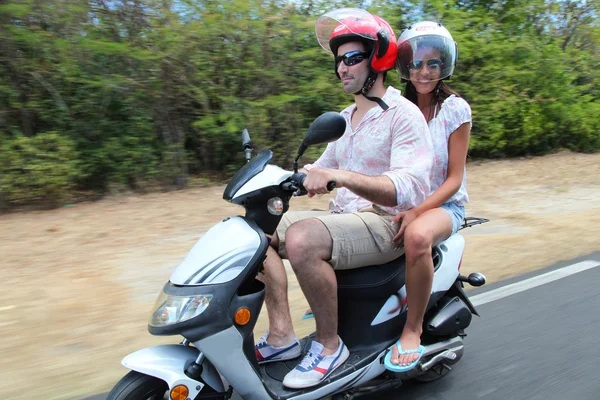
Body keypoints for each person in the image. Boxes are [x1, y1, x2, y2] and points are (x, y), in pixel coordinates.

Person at [254, 8, 434, 389]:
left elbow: (409, 186)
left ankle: (328, 345)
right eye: (338, 61)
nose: (342, 68)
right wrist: (276, 181)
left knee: (303, 237)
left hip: (386, 222)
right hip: (345, 219)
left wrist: (338, 176)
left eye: (352, 58)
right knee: (253, 230)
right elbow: (319, 169)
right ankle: (282, 335)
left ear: (379, 59)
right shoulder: (344, 118)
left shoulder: (404, 115)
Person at [384, 21, 472, 372]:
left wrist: (417, 211)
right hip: (402, 201)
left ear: (443, 67)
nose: (423, 71)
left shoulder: (455, 109)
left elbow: (454, 180)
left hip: (444, 205)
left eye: (432, 63)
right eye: (417, 63)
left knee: (417, 237)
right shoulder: (393, 108)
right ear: (405, 66)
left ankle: (412, 328)